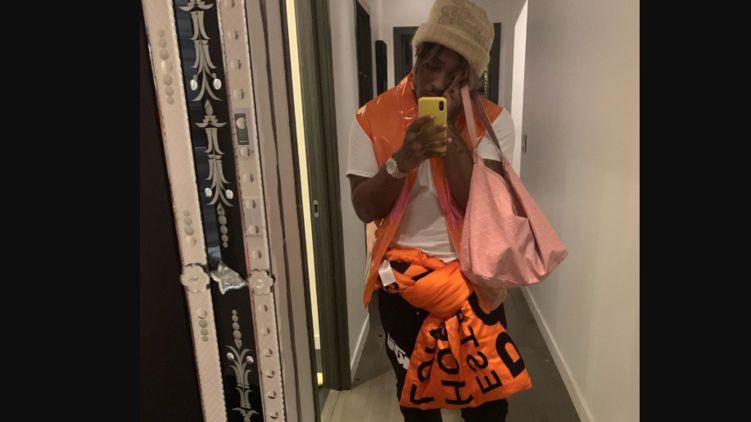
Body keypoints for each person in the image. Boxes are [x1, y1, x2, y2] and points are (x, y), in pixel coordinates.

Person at [346, 1, 529, 421]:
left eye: (457, 73)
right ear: (417, 55)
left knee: (487, 408)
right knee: (416, 405)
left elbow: (481, 211)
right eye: (433, 65)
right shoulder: (372, 118)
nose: (439, 82)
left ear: (474, 77)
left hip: (476, 286)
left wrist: (449, 133)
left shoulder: (493, 122)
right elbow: (363, 208)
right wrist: (402, 160)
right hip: (402, 289)